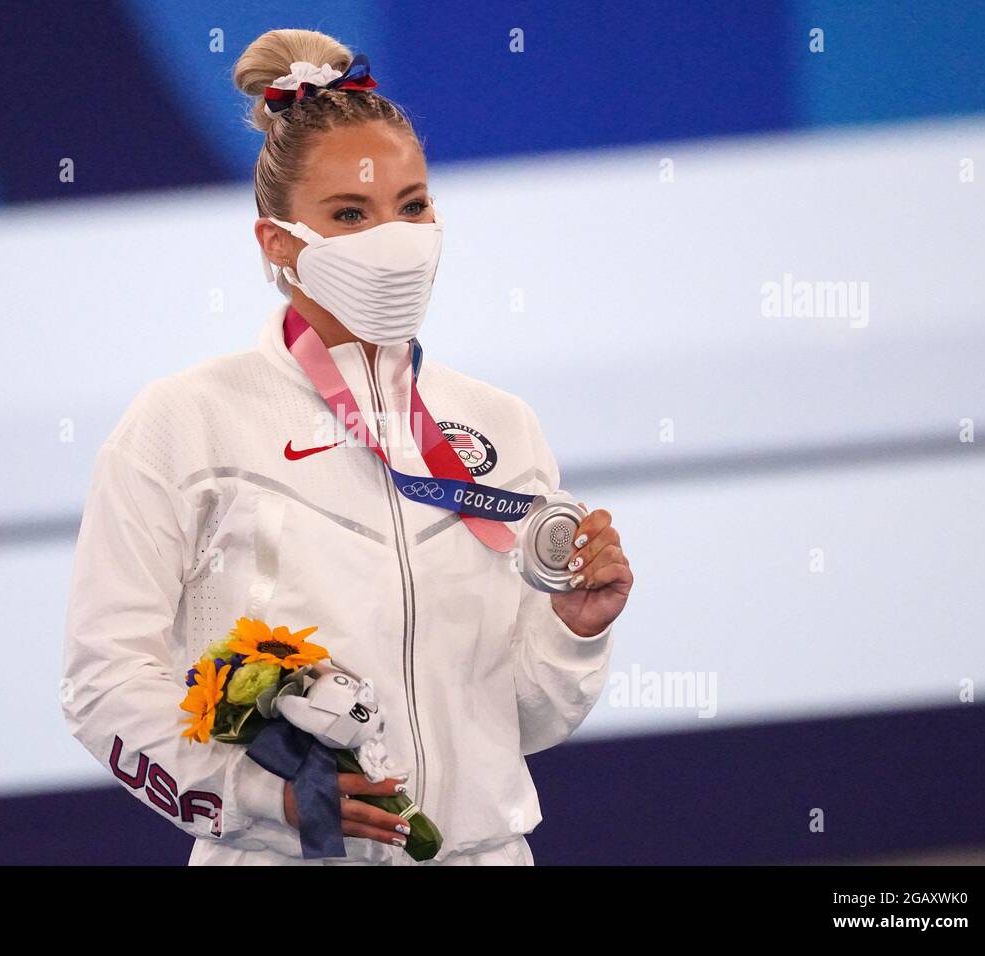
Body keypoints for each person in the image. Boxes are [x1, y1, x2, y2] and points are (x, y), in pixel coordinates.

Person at [61, 27, 632, 866]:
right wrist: (268, 800)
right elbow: (102, 686)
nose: (394, 239)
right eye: (350, 215)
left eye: (412, 206)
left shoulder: (500, 426)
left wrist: (573, 630)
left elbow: (524, 722)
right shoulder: (184, 425)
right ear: (278, 243)